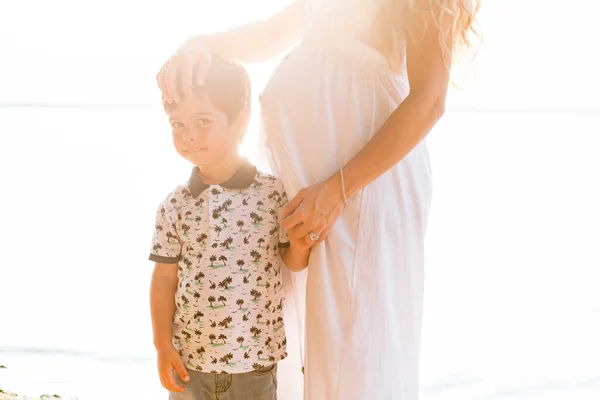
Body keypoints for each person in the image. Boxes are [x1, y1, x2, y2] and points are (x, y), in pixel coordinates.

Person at [157, 0, 480, 398]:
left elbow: (430, 99)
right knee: (305, 340)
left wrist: (337, 190)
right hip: (304, 187)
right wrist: (199, 44)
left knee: (357, 349)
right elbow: (272, 33)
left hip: (362, 186)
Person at [148, 55, 310, 400]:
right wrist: (163, 347)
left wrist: (300, 244)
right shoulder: (175, 205)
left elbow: (292, 263)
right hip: (189, 367)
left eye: (202, 121)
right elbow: (164, 280)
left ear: (240, 120)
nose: (188, 135)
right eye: (177, 124)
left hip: (254, 366)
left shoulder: (273, 194)